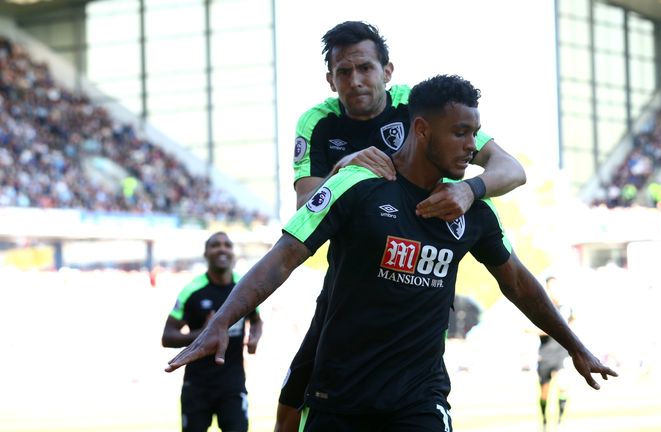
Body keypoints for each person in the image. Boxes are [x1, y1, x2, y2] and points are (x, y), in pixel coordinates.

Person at [166, 75, 617, 432]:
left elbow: (517, 281)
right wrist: (222, 321)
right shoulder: (355, 184)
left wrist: (574, 346)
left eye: (474, 135)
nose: (470, 147)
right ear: (421, 130)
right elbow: (284, 255)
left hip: (419, 401)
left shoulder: (474, 210)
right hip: (339, 398)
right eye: (460, 133)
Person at [278, 20, 529, 431]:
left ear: (387, 71)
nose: (355, 81)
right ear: (330, 79)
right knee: (293, 398)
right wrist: (345, 166)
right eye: (343, 72)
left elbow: (511, 168)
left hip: (414, 265)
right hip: (348, 282)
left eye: (365, 68)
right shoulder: (316, 122)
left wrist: (470, 190)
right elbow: (306, 206)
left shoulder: (417, 106)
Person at [161, 232, 263, 432]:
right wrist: (204, 333)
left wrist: (255, 337)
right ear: (206, 253)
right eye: (215, 245)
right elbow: (167, 336)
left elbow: (257, 320)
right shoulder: (192, 291)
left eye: (227, 245)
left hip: (233, 384)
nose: (222, 249)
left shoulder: (245, 288)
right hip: (197, 386)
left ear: (233, 253)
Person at [534, 276, 575, 431]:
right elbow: (528, 327)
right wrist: (549, 329)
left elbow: (572, 324)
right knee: (545, 392)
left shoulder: (566, 308)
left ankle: (559, 422)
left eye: (556, 287)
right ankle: (545, 421)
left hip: (561, 353)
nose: (554, 290)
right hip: (545, 354)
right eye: (551, 287)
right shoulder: (540, 307)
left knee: (563, 386)